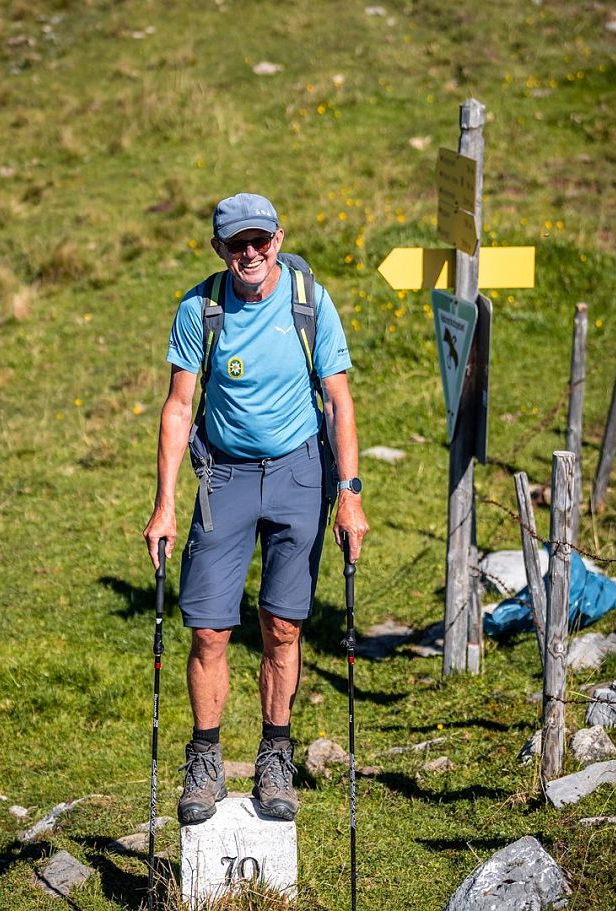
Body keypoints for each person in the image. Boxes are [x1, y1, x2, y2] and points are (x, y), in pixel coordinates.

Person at [143, 192, 368, 825]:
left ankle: (275, 755)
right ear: (220, 249)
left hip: (300, 473)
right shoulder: (200, 308)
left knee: (284, 625)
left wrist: (349, 497)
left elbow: (339, 400)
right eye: (237, 244)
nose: (250, 254)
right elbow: (179, 408)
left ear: (277, 238)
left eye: (260, 241)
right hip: (224, 476)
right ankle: (206, 760)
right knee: (210, 627)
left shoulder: (309, 300)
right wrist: (164, 505)